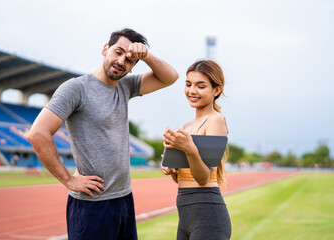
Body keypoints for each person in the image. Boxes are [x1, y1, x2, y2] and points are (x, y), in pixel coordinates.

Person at [27, 28, 178, 240]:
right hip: (92, 206)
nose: (121, 61)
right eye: (118, 52)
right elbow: (37, 133)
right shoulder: (76, 88)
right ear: (105, 49)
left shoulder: (126, 86)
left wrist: (147, 56)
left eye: (129, 59)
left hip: (124, 198)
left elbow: (171, 77)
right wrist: (69, 180)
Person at [162, 60, 231, 240]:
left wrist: (189, 149)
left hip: (208, 215)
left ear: (216, 90)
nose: (192, 91)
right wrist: (172, 169)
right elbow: (183, 179)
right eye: (188, 84)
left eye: (200, 86)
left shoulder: (215, 120)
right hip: (186, 214)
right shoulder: (188, 125)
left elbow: (203, 178)